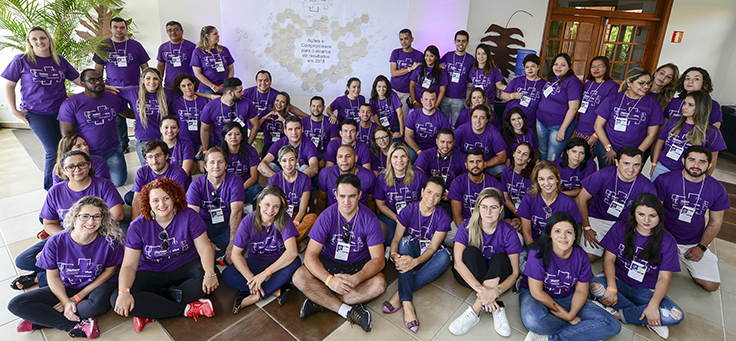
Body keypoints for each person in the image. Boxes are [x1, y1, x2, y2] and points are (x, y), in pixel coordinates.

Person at [9, 196, 125, 339]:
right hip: (69, 284)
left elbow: (109, 272)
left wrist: (76, 298)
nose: (91, 221)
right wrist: (65, 300)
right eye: (85, 216)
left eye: (96, 216)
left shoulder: (110, 241)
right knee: (16, 304)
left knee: (96, 306)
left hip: (98, 285)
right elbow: (52, 276)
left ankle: (43, 319)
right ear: (75, 218)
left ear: (102, 219)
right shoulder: (55, 241)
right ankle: (75, 325)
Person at [111, 178, 218, 332]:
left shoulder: (189, 215)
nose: (161, 204)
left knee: (212, 279)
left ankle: (151, 306)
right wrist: (123, 292)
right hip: (152, 270)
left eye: (166, 198)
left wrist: (209, 273)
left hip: (185, 265)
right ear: (148, 203)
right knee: (117, 299)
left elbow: (204, 248)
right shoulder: (137, 226)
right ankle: (187, 309)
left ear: (175, 198)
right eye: (155, 200)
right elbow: (129, 265)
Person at [12, 151, 124, 291]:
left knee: (107, 257)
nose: (77, 169)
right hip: (66, 236)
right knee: (23, 260)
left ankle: (40, 277)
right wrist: (70, 237)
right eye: (71, 167)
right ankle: (56, 272)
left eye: (81, 165)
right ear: (64, 170)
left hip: (96, 235)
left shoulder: (103, 185)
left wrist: (89, 228)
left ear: (89, 165)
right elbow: (48, 224)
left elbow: (118, 214)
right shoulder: (55, 191)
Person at [293, 174, 386, 333]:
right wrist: (329, 280)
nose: (346, 201)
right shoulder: (326, 216)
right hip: (329, 262)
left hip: (357, 266)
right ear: (335, 195)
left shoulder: (369, 218)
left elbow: (379, 260)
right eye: (342, 196)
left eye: (351, 196)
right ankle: (347, 310)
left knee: (380, 284)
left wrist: (356, 278)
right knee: (299, 277)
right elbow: (310, 256)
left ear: (360, 195)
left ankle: (320, 301)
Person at [590, 193, 684, 340]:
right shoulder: (620, 228)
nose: (646, 220)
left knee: (675, 315)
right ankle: (648, 318)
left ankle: (617, 313)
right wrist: (612, 287)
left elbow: (664, 278)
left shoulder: (668, 241)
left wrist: (653, 305)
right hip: (618, 280)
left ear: (660, 216)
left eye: (652, 215)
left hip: (646, 289)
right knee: (594, 286)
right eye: (641, 214)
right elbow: (609, 260)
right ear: (634, 213)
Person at [3, 27, 83, 190]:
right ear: (29, 42)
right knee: (53, 150)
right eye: (34, 39)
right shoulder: (21, 60)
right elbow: (9, 85)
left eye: (42, 38)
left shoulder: (59, 60)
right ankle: (51, 189)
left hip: (62, 112)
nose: (39, 42)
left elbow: (80, 81)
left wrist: (104, 86)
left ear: (49, 40)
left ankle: (70, 182)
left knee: (67, 146)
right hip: (36, 113)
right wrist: (13, 110)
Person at [520, 212, 621, 341]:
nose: (563, 236)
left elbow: (581, 290)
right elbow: (536, 292)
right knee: (534, 321)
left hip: (567, 296)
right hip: (537, 296)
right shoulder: (537, 253)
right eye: (557, 231)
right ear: (550, 234)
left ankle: (550, 338)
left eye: (568, 232)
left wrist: (571, 314)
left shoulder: (581, 256)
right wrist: (566, 316)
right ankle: (585, 331)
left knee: (613, 325)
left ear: (574, 236)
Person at [448, 188, 521, 337]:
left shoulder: (508, 232)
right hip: (469, 275)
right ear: (478, 208)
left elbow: (514, 273)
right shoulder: (467, 226)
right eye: (484, 207)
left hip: (498, 275)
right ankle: (495, 305)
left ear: (501, 209)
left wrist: (496, 291)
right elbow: (458, 264)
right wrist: (487, 294)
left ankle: (474, 310)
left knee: (501, 258)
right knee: (470, 252)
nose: (488, 212)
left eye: (493, 207)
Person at [383, 176, 452, 333]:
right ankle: (407, 303)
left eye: (437, 195)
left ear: (441, 198)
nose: (431, 198)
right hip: (410, 251)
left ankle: (401, 293)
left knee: (444, 257)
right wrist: (394, 255)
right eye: (429, 192)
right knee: (405, 243)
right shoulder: (408, 210)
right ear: (422, 192)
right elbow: (395, 239)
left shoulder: (443, 217)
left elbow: (433, 248)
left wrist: (415, 262)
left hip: (428, 257)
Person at [654, 146, 728, 292]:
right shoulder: (665, 180)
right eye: (692, 160)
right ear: (683, 160)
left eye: (702, 162)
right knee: (649, 275)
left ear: (710, 165)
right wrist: (664, 239)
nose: (696, 165)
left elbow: (715, 222)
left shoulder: (717, 188)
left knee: (711, 285)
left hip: (693, 241)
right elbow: (654, 214)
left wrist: (701, 247)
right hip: (663, 235)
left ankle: (688, 262)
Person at [222, 185, 302, 312]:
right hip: (258, 260)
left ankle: (257, 295)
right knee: (227, 275)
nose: (271, 210)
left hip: (279, 261)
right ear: (259, 202)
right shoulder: (248, 221)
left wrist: (264, 274)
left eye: (276, 206)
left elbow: (291, 252)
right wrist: (251, 279)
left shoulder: (284, 219)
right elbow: (235, 255)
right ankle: (273, 290)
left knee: (296, 262)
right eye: (267, 204)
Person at [575, 147, 656, 262]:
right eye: (626, 163)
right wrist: (586, 227)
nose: (631, 169)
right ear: (617, 162)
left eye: (636, 165)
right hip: (598, 219)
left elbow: (652, 215)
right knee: (589, 257)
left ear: (641, 165)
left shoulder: (647, 186)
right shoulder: (603, 174)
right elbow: (580, 199)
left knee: (626, 260)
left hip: (626, 224)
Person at [59, 69, 130, 186]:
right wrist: (78, 154)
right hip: (87, 153)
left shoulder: (114, 98)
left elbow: (128, 113)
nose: (97, 82)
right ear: (82, 83)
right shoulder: (71, 104)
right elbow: (67, 135)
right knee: (92, 185)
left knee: (118, 182)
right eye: (92, 80)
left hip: (112, 149)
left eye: (100, 79)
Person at [93, 17, 150, 153]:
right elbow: (98, 70)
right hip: (113, 89)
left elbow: (145, 67)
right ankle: (123, 143)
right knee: (118, 118)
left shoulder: (136, 45)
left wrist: (146, 85)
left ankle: (145, 140)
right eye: (116, 27)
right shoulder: (103, 46)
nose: (119, 30)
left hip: (135, 88)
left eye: (122, 27)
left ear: (126, 29)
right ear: (110, 29)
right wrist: (100, 87)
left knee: (142, 113)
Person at [594, 67, 663, 168]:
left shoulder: (653, 104)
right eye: (641, 83)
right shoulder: (613, 99)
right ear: (629, 83)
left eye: (648, 83)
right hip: (607, 146)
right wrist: (608, 148)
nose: (646, 87)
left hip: (634, 150)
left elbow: (652, 135)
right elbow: (598, 125)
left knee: (627, 180)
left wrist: (636, 154)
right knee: (606, 177)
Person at [650, 90, 726, 181]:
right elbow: (660, 142)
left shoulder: (711, 131)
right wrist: (654, 164)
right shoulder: (673, 122)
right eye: (684, 103)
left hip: (688, 173)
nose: (685, 107)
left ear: (701, 108)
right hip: (663, 167)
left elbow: (713, 159)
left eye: (690, 105)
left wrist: (705, 179)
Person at [186, 147, 244, 261]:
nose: (216, 166)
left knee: (240, 238)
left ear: (226, 165)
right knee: (192, 243)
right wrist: (206, 241)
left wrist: (232, 242)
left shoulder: (235, 180)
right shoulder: (196, 185)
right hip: (205, 224)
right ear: (205, 167)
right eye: (212, 162)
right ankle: (216, 253)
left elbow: (236, 212)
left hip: (228, 222)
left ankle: (217, 252)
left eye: (220, 162)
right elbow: (192, 216)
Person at [374, 143, 428, 247]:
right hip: (391, 215)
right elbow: (380, 205)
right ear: (390, 159)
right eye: (395, 157)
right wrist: (398, 219)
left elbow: (424, 199)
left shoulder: (418, 174)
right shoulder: (382, 178)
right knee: (390, 239)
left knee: (413, 239)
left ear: (408, 158)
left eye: (403, 156)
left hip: (414, 215)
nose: (399, 160)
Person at [117, 68, 174, 166]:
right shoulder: (134, 91)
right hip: (143, 139)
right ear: (142, 79)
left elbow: (187, 93)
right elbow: (113, 91)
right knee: (149, 170)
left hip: (164, 138)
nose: (152, 82)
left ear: (160, 80)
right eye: (148, 78)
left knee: (165, 168)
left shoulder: (167, 93)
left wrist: (209, 97)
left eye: (155, 79)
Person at [517, 161, 582, 246]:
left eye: (550, 178)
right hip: (535, 244)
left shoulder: (568, 203)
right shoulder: (528, 199)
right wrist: (533, 254)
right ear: (537, 181)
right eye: (541, 179)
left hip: (559, 247)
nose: (547, 183)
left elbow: (571, 234)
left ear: (557, 178)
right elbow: (527, 232)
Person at [267, 145, 318, 252]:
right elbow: (271, 208)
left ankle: (285, 243)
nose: (288, 164)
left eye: (291, 160)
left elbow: (303, 209)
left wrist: (294, 224)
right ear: (280, 162)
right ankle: (297, 242)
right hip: (279, 216)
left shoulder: (304, 179)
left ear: (297, 160)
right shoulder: (274, 180)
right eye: (284, 160)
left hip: (297, 217)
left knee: (312, 218)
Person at [448, 149, 504, 244]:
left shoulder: (494, 183)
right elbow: (457, 215)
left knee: (518, 238)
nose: (475, 165)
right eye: (471, 162)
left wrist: (486, 231)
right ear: (466, 165)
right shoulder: (458, 182)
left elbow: (498, 213)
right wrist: (469, 234)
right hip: (466, 221)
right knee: (447, 235)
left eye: (479, 161)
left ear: (484, 163)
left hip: (488, 221)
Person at [536, 53, 582, 161]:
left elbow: (574, 108)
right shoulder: (553, 78)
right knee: (542, 152)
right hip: (541, 122)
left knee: (552, 157)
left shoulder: (573, 82)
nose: (558, 67)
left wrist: (562, 129)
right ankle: (540, 175)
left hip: (558, 126)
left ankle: (549, 176)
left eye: (562, 65)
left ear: (569, 67)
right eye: (556, 64)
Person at [130, 140, 189, 218]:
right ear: (146, 160)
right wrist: (135, 225)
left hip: (169, 206)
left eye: (158, 155)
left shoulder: (178, 173)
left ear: (167, 156)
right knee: (130, 197)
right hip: (152, 201)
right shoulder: (142, 172)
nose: (154, 160)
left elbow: (173, 203)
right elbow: (136, 200)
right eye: (150, 157)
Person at [574, 56, 618, 154]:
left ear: (606, 68)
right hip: (580, 128)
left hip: (594, 131)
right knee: (576, 159)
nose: (595, 69)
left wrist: (596, 135)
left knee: (586, 160)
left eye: (600, 66)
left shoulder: (612, 87)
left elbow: (611, 114)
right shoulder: (588, 83)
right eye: (593, 66)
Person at [200, 77, 259, 149]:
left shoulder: (247, 103)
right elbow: (204, 129)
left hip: (241, 146)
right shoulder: (210, 107)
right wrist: (205, 149)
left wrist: (248, 145)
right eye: (239, 91)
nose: (243, 93)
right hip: (219, 147)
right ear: (230, 93)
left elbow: (255, 125)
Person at [318, 144, 376, 210]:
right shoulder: (326, 173)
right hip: (335, 213)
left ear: (355, 158)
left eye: (348, 156)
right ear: (336, 159)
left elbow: (370, 201)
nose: (344, 160)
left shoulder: (368, 176)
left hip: (359, 213)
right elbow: (322, 199)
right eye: (340, 157)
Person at [454, 105, 508, 175]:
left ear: (487, 120)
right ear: (471, 118)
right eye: (475, 117)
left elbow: (502, 156)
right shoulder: (462, 129)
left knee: (503, 170)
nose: (478, 121)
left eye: (482, 118)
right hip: (467, 164)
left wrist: (484, 164)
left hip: (487, 163)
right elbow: (451, 148)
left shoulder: (493, 132)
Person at [219, 122, 262, 205]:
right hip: (226, 187)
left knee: (257, 190)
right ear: (224, 137)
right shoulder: (220, 152)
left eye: (237, 134)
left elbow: (254, 177)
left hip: (245, 186)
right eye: (229, 134)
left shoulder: (251, 151)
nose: (233, 137)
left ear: (242, 136)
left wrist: (239, 189)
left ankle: (233, 203)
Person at [404, 89, 451, 161]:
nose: (428, 102)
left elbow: (446, 138)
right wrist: (418, 151)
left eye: (432, 99)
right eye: (426, 99)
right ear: (421, 100)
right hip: (416, 146)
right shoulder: (413, 115)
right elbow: (407, 137)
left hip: (434, 148)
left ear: (436, 101)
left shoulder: (442, 117)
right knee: (406, 159)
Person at [501, 53, 545, 129]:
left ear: (538, 67)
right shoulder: (517, 80)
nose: (530, 69)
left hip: (528, 122)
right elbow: (503, 96)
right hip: (510, 119)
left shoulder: (543, 84)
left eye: (533, 66)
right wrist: (513, 95)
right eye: (527, 67)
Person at [440, 30, 475, 125]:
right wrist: (441, 66)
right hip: (445, 96)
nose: (461, 43)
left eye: (463, 41)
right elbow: (436, 64)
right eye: (458, 40)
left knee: (455, 125)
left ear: (467, 42)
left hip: (460, 98)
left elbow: (474, 74)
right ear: (454, 41)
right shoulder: (448, 55)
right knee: (443, 124)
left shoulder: (470, 59)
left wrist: (470, 82)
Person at [170, 73, 210, 155]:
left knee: (202, 166)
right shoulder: (176, 103)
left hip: (201, 141)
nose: (187, 88)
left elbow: (209, 124)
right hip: (184, 142)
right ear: (179, 87)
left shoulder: (204, 101)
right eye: (183, 86)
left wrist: (205, 143)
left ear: (194, 84)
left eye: (189, 84)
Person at [389, 29, 424, 118]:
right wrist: (411, 68)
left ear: (412, 39)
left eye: (406, 39)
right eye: (401, 39)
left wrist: (440, 65)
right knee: (390, 117)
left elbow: (429, 64)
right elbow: (393, 73)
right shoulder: (396, 53)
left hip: (407, 93)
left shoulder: (418, 55)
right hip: (393, 91)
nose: (403, 42)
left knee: (402, 118)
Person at [243, 70, 308, 117]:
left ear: (270, 82)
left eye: (266, 80)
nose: (263, 83)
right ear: (256, 82)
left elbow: (290, 108)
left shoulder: (276, 95)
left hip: (269, 130)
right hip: (251, 129)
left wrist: (309, 118)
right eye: (260, 80)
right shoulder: (247, 92)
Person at [191, 25, 234, 94]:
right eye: (215, 34)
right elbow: (197, 73)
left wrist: (227, 83)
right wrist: (212, 86)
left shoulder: (224, 50)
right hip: (208, 89)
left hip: (225, 87)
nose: (218, 36)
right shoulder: (198, 52)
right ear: (207, 36)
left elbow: (231, 68)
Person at [156, 21, 196, 87]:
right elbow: (160, 66)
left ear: (182, 31)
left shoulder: (191, 46)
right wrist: (158, 81)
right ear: (167, 32)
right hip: (169, 84)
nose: (173, 32)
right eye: (170, 30)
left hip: (187, 85)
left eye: (176, 29)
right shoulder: (163, 47)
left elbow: (197, 66)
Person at [501, 142, 534, 222]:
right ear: (513, 154)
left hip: (529, 212)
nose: (520, 156)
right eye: (518, 152)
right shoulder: (506, 172)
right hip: (511, 208)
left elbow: (534, 203)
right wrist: (517, 214)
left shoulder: (533, 176)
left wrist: (523, 219)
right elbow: (505, 198)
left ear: (529, 159)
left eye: (525, 154)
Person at [303, 96, 339, 165]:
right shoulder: (303, 122)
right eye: (313, 106)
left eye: (319, 106)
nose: (316, 108)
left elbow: (334, 145)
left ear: (323, 107)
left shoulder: (331, 123)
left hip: (324, 154)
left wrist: (325, 159)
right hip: (306, 154)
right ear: (310, 107)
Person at [409, 45, 447, 110]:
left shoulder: (441, 71)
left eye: (431, 56)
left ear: (436, 57)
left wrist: (436, 106)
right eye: (426, 55)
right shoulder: (419, 68)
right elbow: (412, 85)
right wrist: (414, 101)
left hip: (432, 105)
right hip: (418, 103)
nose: (428, 58)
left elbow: (442, 90)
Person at [369, 75, 404, 140]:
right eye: (379, 86)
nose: (381, 89)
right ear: (375, 87)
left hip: (396, 127)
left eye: (384, 86)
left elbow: (400, 114)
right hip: (383, 128)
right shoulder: (372, 101)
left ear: (387, 87)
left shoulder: (392, 95)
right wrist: (390, 133)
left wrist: (401, 132)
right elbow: (377, 121)